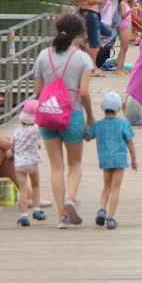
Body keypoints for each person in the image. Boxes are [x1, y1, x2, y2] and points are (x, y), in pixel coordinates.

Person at [33, 13, 95, 229]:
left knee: (56, 167)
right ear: (79, 34)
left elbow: (38, 91)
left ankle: (61, 215)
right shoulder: (82, 58)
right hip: (73, 115)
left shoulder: (43, 56)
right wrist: (90, 117)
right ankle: (71, 197)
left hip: (48, 115)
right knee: (75, 163)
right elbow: (85, 93)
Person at [85, 91, 137, 230]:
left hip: (105, 159)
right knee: (116, 188)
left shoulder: (98, 125)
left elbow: (87, 137)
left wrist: (88, 122)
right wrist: (134, 160)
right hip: (119, 159)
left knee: (106, 186)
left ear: (102, 107)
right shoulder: (123, 124)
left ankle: (102, 209)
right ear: (119, 108)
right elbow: (130, 142)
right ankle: (111, 217)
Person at [11, 100, 45, 226]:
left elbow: (12, 147)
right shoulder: (37, 130)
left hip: (19, 164)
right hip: (32, 162)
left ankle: (24, 215)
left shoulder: (16, 131)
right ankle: (36, 210)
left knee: (22, 189)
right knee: (35, 185)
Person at [71, 0, 106, 72]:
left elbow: (81, 0)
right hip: (90, 13)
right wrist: (101, 0)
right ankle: (93, 69)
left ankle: (90, 65)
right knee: (94, 42)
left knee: (96, 38)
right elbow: (91, 0)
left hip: (84, 11)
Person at [114, 0, 135, 75]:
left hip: (127, 27)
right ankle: (119, 69)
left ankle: (122, 67)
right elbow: (122, 15)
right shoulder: (122, 4)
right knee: (123, 48)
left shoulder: (126, 4)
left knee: (125, 48)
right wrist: (131, 10)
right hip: (123, 27)